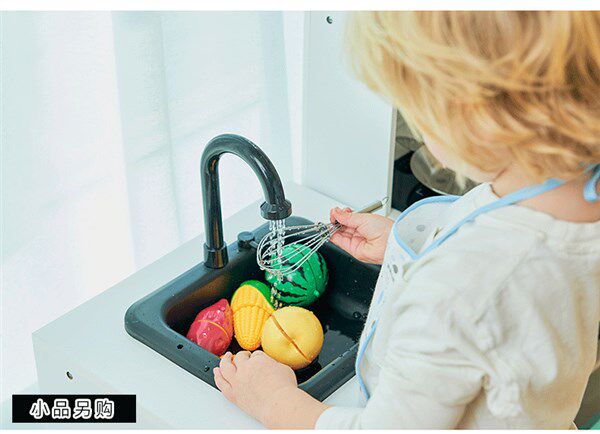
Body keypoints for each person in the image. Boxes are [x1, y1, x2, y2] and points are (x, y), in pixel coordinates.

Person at [213, 11, 600, 429]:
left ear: (473, 117)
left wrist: (274, 401)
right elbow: (505, 282)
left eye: (414, 107)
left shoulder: (458, 289)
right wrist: (404, 246)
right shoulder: (573, 192)